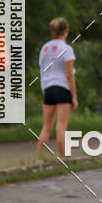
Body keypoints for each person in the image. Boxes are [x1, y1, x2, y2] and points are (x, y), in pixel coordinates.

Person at [37, 17, 77, 159]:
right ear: (66, 31)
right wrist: (74, 97)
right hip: (62, 89)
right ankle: (62, 158)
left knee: (46, 127)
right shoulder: (67, 49)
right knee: (61, 128)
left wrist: (44, 88)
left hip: (48, 89)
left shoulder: (45, 48)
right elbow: (69, 75)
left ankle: (39, 159)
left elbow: (42, 70)